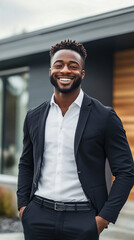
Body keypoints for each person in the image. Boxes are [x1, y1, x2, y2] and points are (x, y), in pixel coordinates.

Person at [17, 40, 134, 240]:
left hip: (83, 220)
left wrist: (104, 217)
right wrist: (23, 208)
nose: (65, 70)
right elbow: (26, 163)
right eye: (59, 65)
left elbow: (126, 171)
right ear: (50, 71)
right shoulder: (34, 116)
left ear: (82, 73)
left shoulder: (104, 117)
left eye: (73, 66)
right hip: (38, 216)